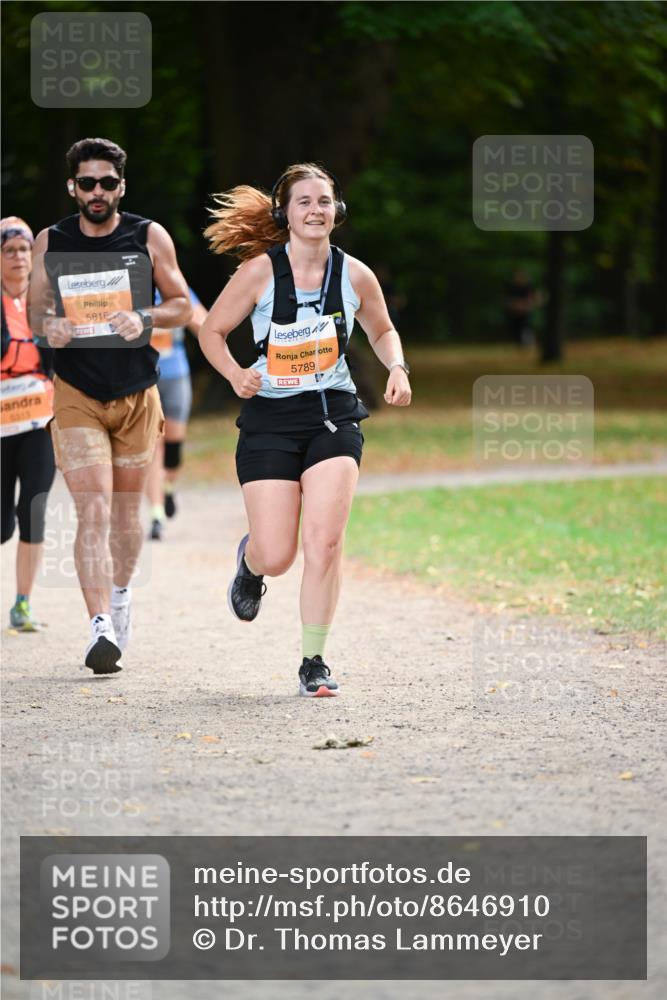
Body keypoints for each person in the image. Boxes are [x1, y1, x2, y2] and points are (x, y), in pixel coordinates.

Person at [199, 163, 411, 697]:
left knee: (326, 541)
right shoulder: (258, 273)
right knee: (278, 554)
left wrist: (397, 367)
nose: (316, 210)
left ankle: (313, 660)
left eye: (324, 200)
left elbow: (381, 327)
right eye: (304, 202)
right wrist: (235, 374)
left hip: (333, 414)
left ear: (336, 210)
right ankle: (251, 562)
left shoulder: (355, 274)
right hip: (270, 418)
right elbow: (212, 331)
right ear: (285, 213)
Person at [28, 137, 191, 674]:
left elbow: (181, 305)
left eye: (107, 183)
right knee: (92, 509)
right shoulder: (50, 241)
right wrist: (49, 327)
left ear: (121, 186)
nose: (97, 192)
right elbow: (35, 315)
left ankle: (120, 597)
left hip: (136, 395)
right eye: (87, 183)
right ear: (72, 187)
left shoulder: (147, 235)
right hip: (77, 395)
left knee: (125, 516)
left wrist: (143, 318)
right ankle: (99, 627)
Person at [1, 217, 56, 631]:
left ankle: (22, 603)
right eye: (9, 251)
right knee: (3, 526)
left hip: (38, 424)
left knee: (34, 510)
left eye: (24, 250)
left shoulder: (46, 302)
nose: (19, 257)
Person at [145, 285, 208, 540]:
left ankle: (168, 486)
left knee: (173, 450)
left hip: (176, 376)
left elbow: (205, 324)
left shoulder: (177, 289)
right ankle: (156, 514)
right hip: (145, 379)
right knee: (152, 446)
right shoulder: (132, 288)